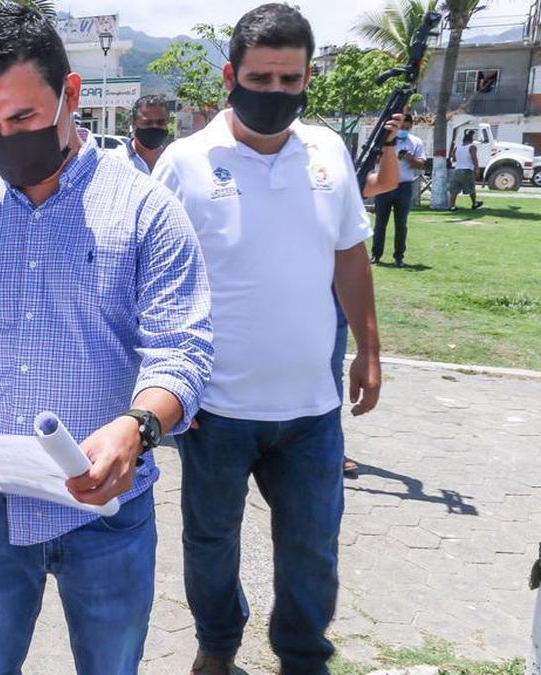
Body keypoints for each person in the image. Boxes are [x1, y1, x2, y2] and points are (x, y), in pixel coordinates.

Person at [0, 6, 213, 673]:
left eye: (22, 119)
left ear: (69, 95)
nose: (4, 140)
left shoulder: (145, 211)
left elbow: (182, 351)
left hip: (106, 509)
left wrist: (137, 426)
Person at [152, 5, 382, 674]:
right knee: (211, 542)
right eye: (261, 78)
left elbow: (349, 254)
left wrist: (369, 349)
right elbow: (150, 277)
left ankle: (303, 657)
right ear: (231, 77)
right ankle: (217, 645)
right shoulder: (184, 163)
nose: (276, 92)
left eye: (290, 79)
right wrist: (164, 384)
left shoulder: (328, 151)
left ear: (308, 78)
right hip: (215, 408)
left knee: (312, 547)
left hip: (311, 409)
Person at [341, 111, 404, 478]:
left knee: (325, 376)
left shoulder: (343, 183)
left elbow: (388, 182)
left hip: (333, 297)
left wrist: (389, 145)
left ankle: (328, 448)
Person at [371, 113, 427, 267]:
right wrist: (388, 156)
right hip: (384, 185)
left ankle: (399, 257)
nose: (404, 130)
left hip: (403, 186)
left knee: (401, 224)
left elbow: (422, 165)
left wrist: (410, 158)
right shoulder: (383, 139)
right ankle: (376, 255)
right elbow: (374, 159)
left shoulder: (415, 142)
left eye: (407, 128)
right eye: (402, 127)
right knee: (380, 223)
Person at [111, 95, 171, 174]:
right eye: (147, 123)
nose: (155, 127)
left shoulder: (174, 159)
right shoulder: (115, 161)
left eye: (161, 122)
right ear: (133, 124)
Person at [449, 128, 484, 211]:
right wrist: (477, 168)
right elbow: (474, 158)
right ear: (471, 140)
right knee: (471, 188)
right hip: (467, 170)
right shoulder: (472, 147)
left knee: (454, 190)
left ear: (463, 140)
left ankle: (452, 206)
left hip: (457, 170)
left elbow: (454, 159)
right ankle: (474, 204)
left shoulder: (457, 148)